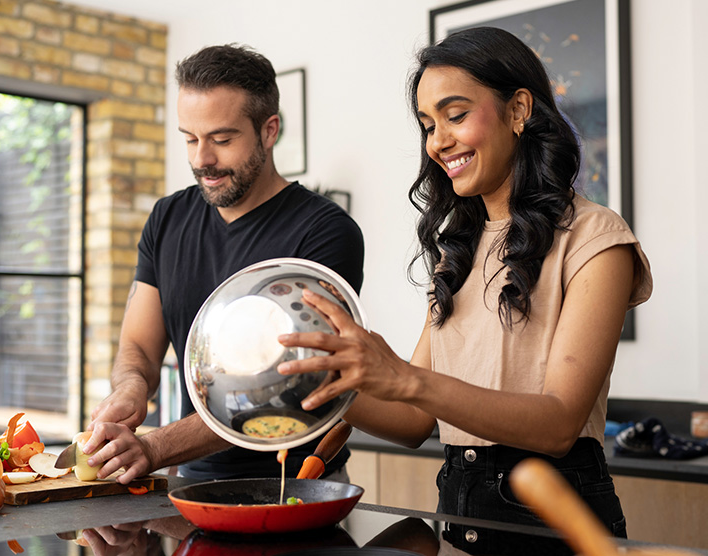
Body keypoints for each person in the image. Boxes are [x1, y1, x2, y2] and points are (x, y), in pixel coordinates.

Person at [274, 27, 652, 555]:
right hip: (460, 518)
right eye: (428, 125)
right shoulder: (459, 252)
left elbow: (559, 423)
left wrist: (403, 377)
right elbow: (414, 421)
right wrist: (318, 386)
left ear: (518, 110)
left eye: (455, 115)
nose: (437, 142)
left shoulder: (595, 236)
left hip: (557, 522)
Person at [81, 43, 365, 484]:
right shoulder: (167, 218)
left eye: (221, 139)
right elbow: (138, 345)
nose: (202, 160)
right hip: (189, 476)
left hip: (295, 483)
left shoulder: (324, 231)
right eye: (190, 139)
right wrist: (132, 386)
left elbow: (284, 389)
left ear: (269, 131)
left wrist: (155, 446)